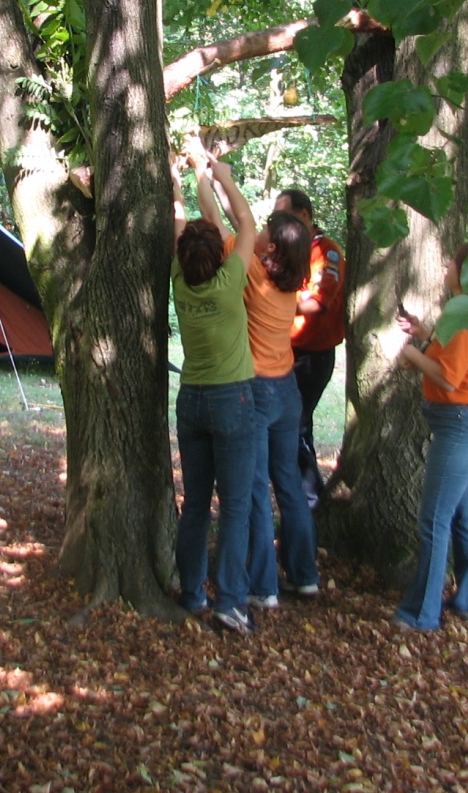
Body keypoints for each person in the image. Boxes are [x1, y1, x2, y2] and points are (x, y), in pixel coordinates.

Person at [193, 162, 319, 609]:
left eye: (268, 231)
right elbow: (230, 221)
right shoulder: (290, 282)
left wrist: (208, 175)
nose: (260, 232)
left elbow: (215, 221)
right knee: (286, 480)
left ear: (274, 250)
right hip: (287, 389)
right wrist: (206, 175)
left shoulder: (253, 276)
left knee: (251, 490)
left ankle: (263, 586)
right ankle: (305, 576)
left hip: (259, 393)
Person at [392, 242, 468, 632]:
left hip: (461, 424)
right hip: (467, 422)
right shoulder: (467, 315)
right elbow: (448, 359)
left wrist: (407, 353)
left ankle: (421, 613)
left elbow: (448, 378)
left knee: (434, 519)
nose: (446, 265)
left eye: (453, 262)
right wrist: (424, 336)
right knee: (462, 514)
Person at [171, 151, 258, 635]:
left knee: (198, 502)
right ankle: (230, 602)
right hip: (232, 401)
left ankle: (190, 593)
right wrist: (222, 176)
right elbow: (243, 221)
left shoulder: (181, 280)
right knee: (237, 505)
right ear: (220, 254)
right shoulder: (229, 284)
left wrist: (181, 179)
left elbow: (181, 221)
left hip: (192, 403)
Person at [274, 189, 345, 513]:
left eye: (284, 217)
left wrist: (275, 304)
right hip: (286, 355)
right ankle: (305, 504)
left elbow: (318, 301)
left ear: (304, 215)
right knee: (290, 428)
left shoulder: (326, 252)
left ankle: (311, 505)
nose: (277, 225)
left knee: (297, 428)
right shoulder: (289, 249)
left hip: (312, 357)